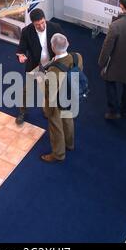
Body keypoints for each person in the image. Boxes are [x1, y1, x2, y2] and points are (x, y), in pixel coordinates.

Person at [16, 8, 64, 125]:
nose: (41, 27)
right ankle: (22, 111)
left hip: (51, 64)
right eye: (38, 25)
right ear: (33, 23)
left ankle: (47, 111)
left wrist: (59, 56)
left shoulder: (55, 27)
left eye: (43, 23)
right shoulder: (26, 31)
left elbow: (63, 45)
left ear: (45, 19)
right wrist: (21, 56)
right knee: (27, 90)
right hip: (34, 65)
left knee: (49, 90)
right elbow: (21, 49)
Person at [40, 33, 83, 163]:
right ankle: (69, 144)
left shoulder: (54, 69)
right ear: (68, 43)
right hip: (72, 95)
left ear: (53, 48)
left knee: (55, 126)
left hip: (58, 101)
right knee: (68, 119)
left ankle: (58, 154)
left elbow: (49, 92)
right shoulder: (77, 56)